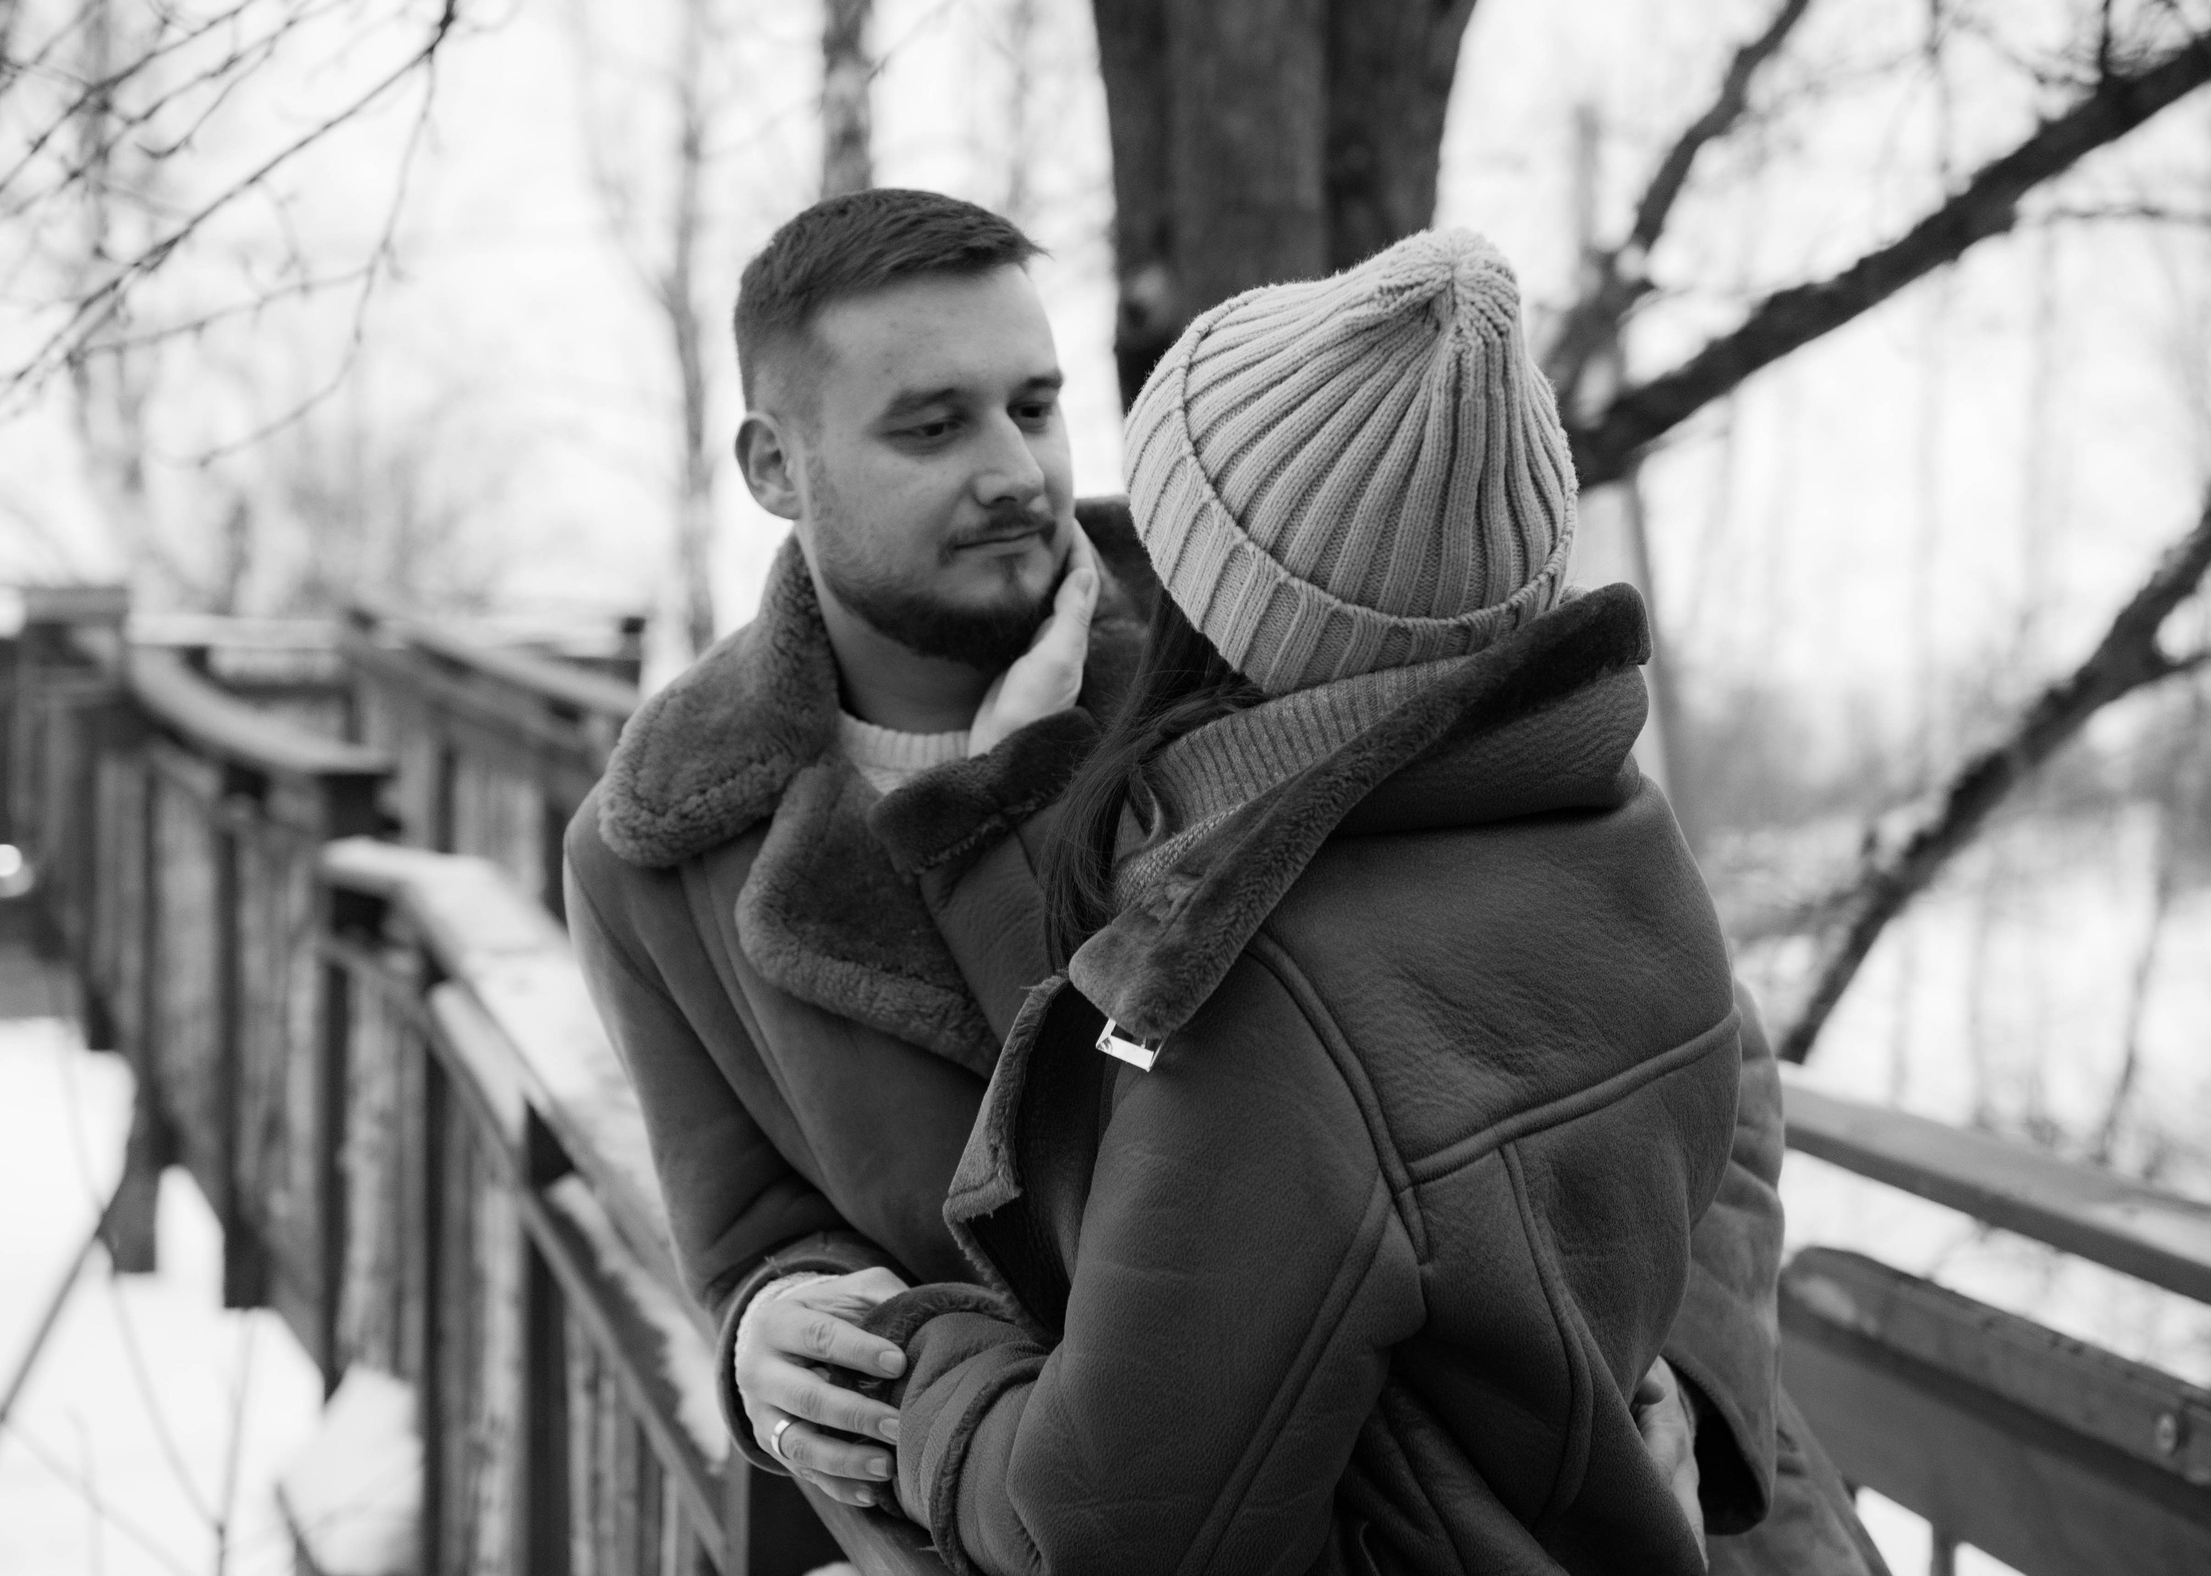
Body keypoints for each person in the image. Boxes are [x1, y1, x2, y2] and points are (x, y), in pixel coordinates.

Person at [564, 189, 1878, 1572]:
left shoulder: (1255, 640)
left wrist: (1681, 1387)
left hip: (1580, 1513)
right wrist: (768, 1323)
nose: (1015, 470)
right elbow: (756, 1231)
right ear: (774, 465)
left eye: (1034, 404)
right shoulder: (652, 850)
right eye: (932, 425)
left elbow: (1699, 1065)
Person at [852, 228, 1777, 1574]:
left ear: (1222, 608)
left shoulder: (1273, 1004)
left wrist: (917, 1358)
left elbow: (1100, 1530)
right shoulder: (1613, 835)